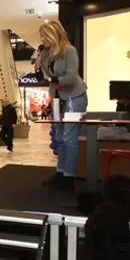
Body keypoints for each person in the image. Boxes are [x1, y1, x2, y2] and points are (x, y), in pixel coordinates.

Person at [35, 20, 88, 191]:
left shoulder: (69, 51)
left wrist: (51, 79)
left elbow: (71, 77)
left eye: (45, 36)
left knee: (69, 137)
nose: (42, 40)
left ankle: (69, 176)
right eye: (41, 36)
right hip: (57, 98)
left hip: (74, 97)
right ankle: (60, 172)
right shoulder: (45, 54)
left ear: (54, 34)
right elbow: (41, 78)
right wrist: (37, 65)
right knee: (58, 136)